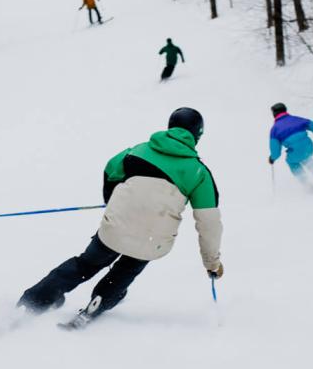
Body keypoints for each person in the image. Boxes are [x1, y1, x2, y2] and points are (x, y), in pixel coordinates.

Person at [18, 107, 224, 326]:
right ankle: (100, 301)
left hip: (115, 228)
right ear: (198, 134)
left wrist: (112, 201)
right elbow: (209, 223)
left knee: (86, 264)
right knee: (128, 268)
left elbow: (110, 170)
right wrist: (212, 264)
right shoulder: (199, 173)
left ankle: (35, 299)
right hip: (153, 241)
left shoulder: (137, 151)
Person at [268, 102, 313, 190]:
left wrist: (272, 158)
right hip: (309, 147)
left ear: (274, 114)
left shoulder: (274, 129)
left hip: (296, 152)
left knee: (292, 162)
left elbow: (276, 152)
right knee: (308, 161)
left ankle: (308, 186)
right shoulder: (297, 119)